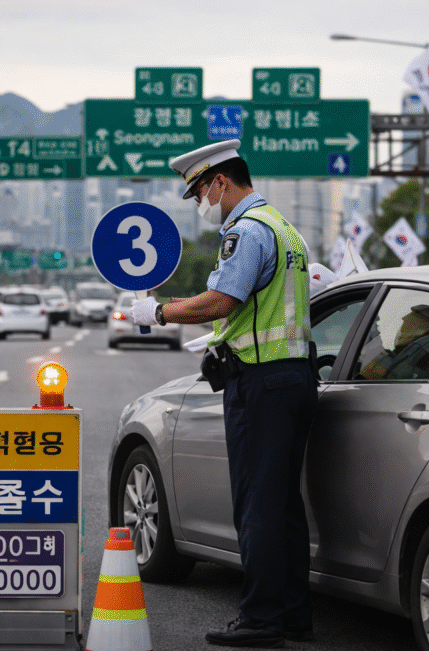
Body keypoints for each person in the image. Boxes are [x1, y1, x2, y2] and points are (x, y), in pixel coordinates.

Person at [131, 139, 318, 648]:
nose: (200, 205)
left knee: (256, 501)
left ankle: (260, 618)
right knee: (282, 504)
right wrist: (220, 335)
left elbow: (221, 300)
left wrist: (161, 312)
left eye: (199, 193)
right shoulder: (284, 228)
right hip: (295, 377)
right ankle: (292, 614)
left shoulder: (247, 231)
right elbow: (255, 309)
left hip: (262, 381)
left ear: (220, 182)